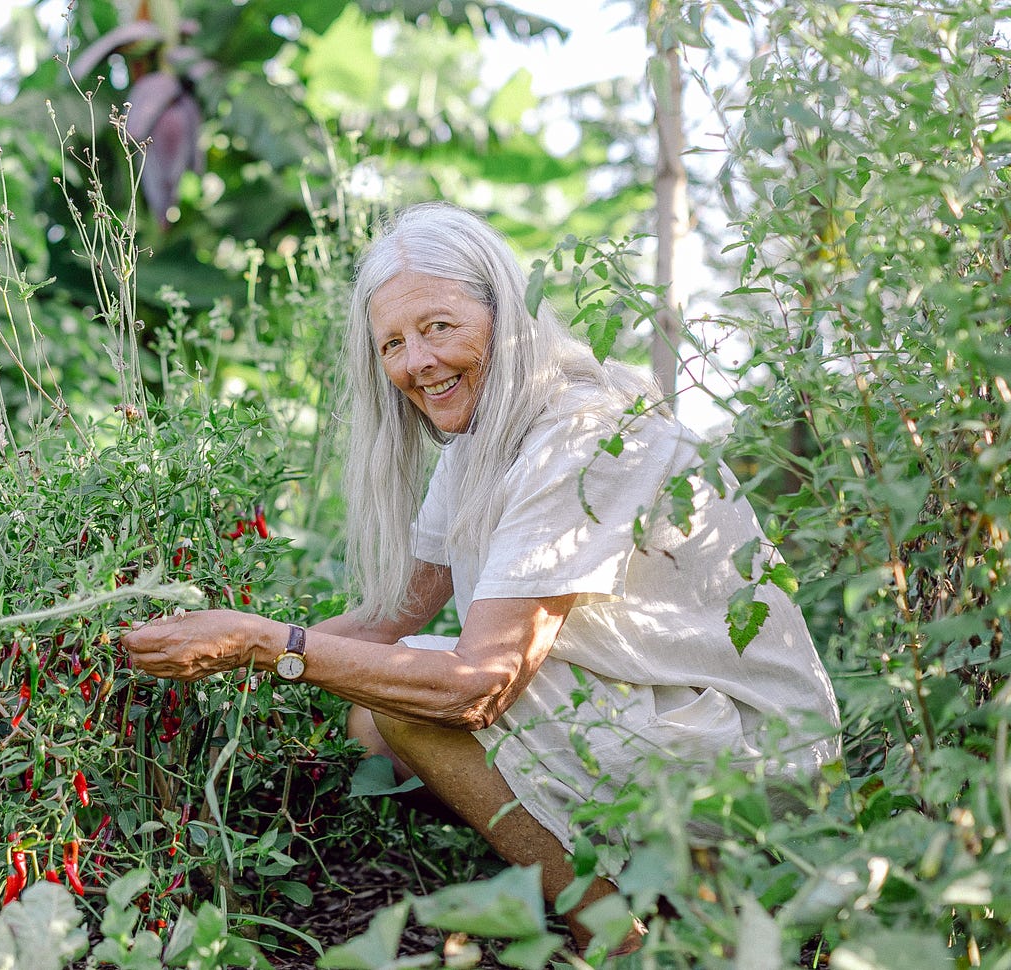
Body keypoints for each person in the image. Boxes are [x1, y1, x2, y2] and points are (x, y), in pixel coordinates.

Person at [120, 202, 841, 955]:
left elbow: (479, 686)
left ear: (508, 315)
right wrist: (219, 658)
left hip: (756, 755)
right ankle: (662, 892)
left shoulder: (584, 432)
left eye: (438, 327)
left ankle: (625, 942)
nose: (416, 362)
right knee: (374, 711)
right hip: (663, 721)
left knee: (415, 707)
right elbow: (386, 622)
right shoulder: (477, 444)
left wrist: (265, 645)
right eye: (392, 343)